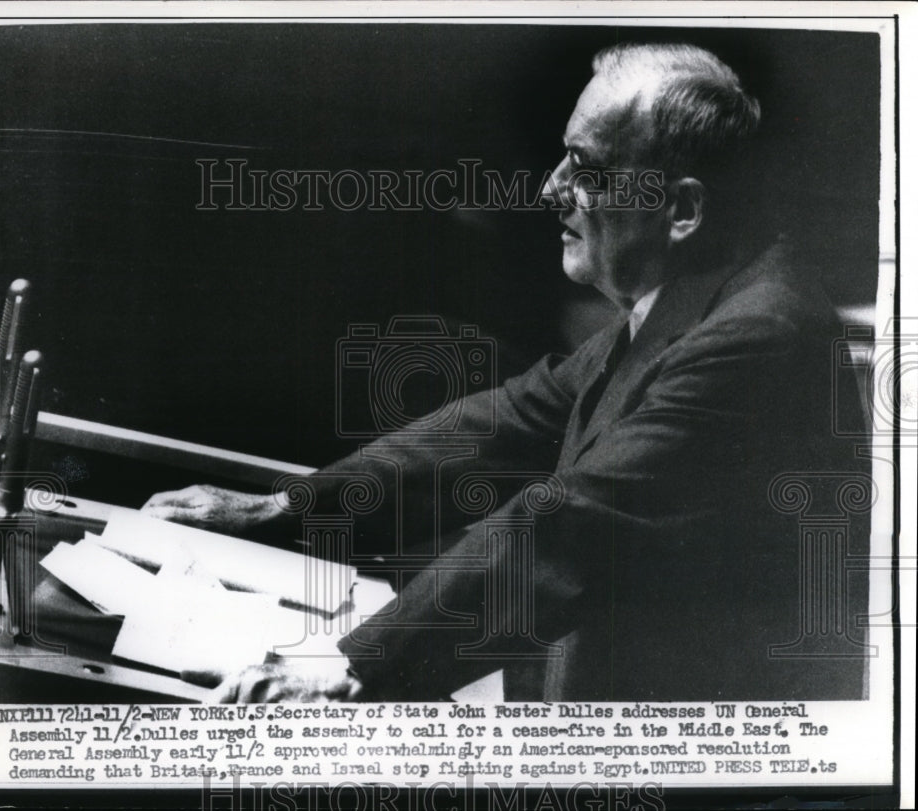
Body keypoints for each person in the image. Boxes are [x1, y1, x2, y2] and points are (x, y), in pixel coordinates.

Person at [143, 42, 870, 703]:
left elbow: (570, 527)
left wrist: (353, 668)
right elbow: (503, 426)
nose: (552, 189)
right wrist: (285, 509)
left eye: (586, 169)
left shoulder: (755, 333)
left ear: (680, 208)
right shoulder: (699, 298)